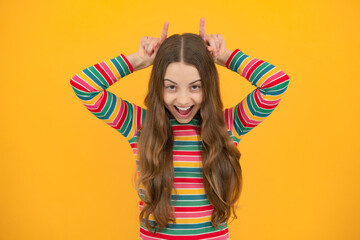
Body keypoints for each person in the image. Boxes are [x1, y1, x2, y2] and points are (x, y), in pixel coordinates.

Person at [70, 17, 290, 240]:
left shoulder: (228, 125)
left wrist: (224, 56)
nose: (183, 100)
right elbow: (84, 86)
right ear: (158, 86)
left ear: (209, 85)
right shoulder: (138, 124)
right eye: (171, 87)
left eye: (195, 86)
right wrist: (139, 60)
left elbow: (276, 83)